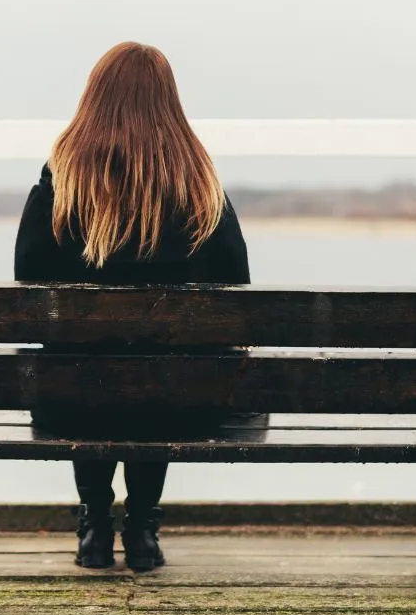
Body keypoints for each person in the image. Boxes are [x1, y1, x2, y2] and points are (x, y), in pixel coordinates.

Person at [14, 41, 250, 572]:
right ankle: (142, 528)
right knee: (160, 382)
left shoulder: (63, 175)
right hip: (179, 400)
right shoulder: (198, 179)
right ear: (170, 102)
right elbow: (238, 288)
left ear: (94, 97)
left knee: (85, 377)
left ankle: (95, 525)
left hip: (69, 397)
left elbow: (27, 277)